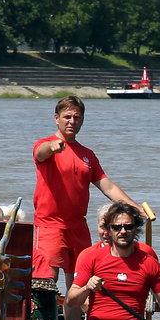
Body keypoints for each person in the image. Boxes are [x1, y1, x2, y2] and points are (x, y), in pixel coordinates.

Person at [32, 95, 140, 290]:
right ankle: (43, 319)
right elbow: (41, 152)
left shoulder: (87, 154)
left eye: (77, 117)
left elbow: (107, 186)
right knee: (47, 280)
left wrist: (134, 207)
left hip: (78, 226)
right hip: (50, 225)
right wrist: (52, 147)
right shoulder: (45, 144)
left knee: (82, 282)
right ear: (56, 118)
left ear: (82, 120)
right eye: (67, 117)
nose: (72, 121)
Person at [65, 202, 160, 320]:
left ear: (136, 228)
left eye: (128, 227)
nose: (123, 231)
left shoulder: (149, 264)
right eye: (117, 227)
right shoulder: (92, 258)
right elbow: (71, 301)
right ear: (109, 230)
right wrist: (87, 288)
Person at [63, 203, 158, 320]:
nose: (107, 233)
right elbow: (79, 301)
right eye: (104, 227)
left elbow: (157, 291)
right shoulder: (87, 255)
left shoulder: (146, 252)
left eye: (123, 226)